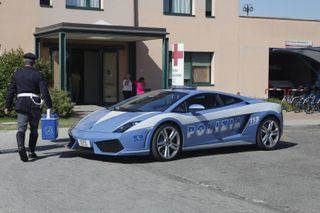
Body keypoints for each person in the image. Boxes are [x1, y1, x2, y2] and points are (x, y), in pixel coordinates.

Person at [4, 52, 52, 162]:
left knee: (21, 128)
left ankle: (21, 147)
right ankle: (31, 151)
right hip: (34, 103)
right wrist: (49, 106)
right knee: (34, 129)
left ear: (24, 62)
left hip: (21, 102)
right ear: (34, 62)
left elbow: (11, 91)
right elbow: (44, 91)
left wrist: (8, 106)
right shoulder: (38, 74)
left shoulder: (16, 74)